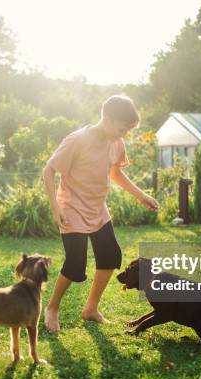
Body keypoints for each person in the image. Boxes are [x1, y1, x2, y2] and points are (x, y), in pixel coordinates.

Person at [42, 94, 159, 332]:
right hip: (71, 207)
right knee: (75, 263)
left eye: (127, 130)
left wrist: (140, 195)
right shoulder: (77, 140)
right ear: (106, 118)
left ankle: (90, 309)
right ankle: (52, 308)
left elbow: (115, 174)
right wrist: (55, 207)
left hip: (97, 208)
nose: (123, 134)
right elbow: (49, 170)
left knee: (110, 256)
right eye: (121, 128)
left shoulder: (116, 142)